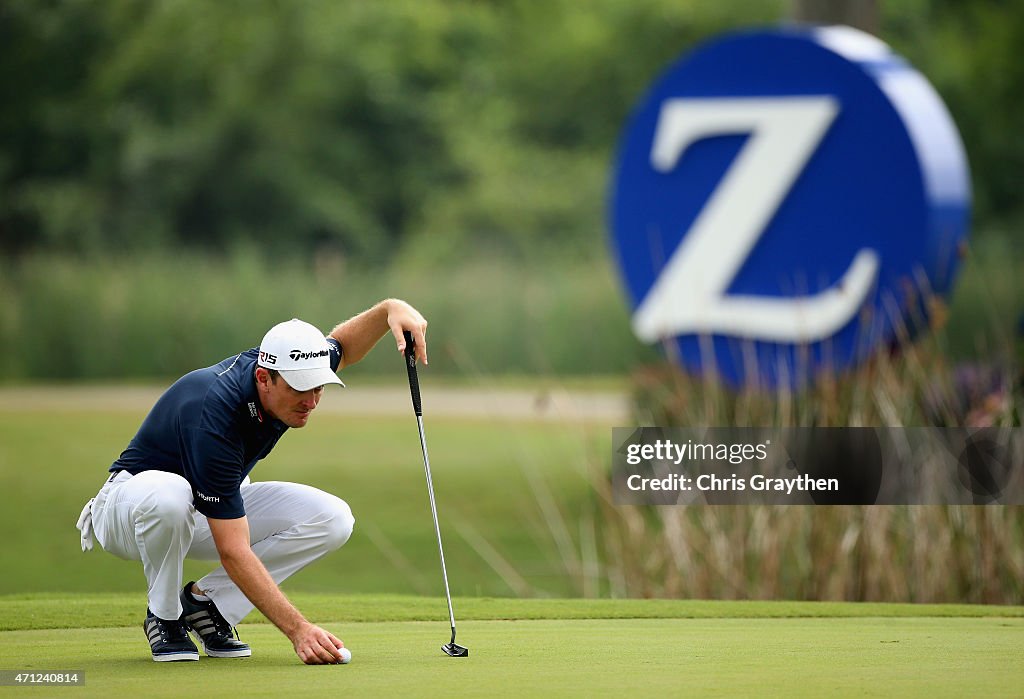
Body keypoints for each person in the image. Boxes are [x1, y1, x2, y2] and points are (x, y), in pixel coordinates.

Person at [75, 299, 428, 664]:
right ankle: (164, 618)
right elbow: (233, 549)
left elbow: (344, 345)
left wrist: (389, 310)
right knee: (172, 497)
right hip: (128, 511)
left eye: (318, 387)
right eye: (300, 389)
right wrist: (298, 629)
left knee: (333, 518)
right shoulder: (214, 412)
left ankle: (207, 607)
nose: (311, 401)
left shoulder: (292, 364)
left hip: (201, 507)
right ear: (263, 378)